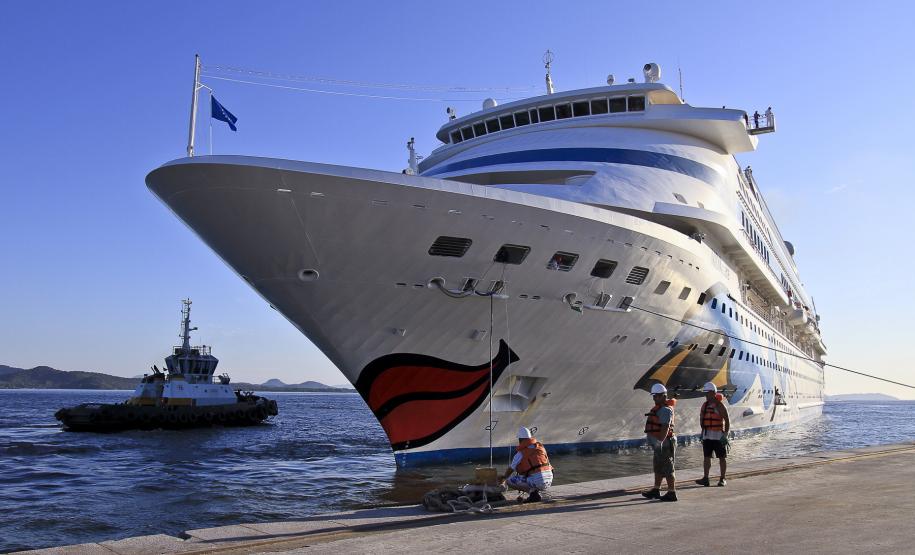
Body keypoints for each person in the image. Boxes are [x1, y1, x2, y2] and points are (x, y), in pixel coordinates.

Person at [641, 383, 678, 501]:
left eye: (656, 396)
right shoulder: (659, 409)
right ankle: (656, 489)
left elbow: (665, 427)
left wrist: (660, 442)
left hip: (665, 443)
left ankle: (672, 492)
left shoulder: (665, 410)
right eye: (653, 396)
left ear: (663, 396)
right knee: (658, 467)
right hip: (659, 444)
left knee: (668, 468)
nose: (654, 398)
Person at [500, 427, 553, 502]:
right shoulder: (541, 448)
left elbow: (511, 469)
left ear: (520, 440)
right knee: (532, 474)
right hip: (549, 480)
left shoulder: (520, 453)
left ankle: (533, 493)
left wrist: (503, 478)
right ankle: (535, 491)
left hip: (537, 481)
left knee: (509, 480)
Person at [696, 382, 730, 487]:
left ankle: (722, 478)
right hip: (707, 435)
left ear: (713, 393)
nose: (706, 395)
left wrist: (725, 435)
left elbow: (727, 420)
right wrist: (702, 433)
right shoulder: (705, 405)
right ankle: (705, 478)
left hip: (718, 436)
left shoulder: (720, 406)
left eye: (707, 393)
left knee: (722, 457)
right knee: (706, 457)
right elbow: (702, 419)